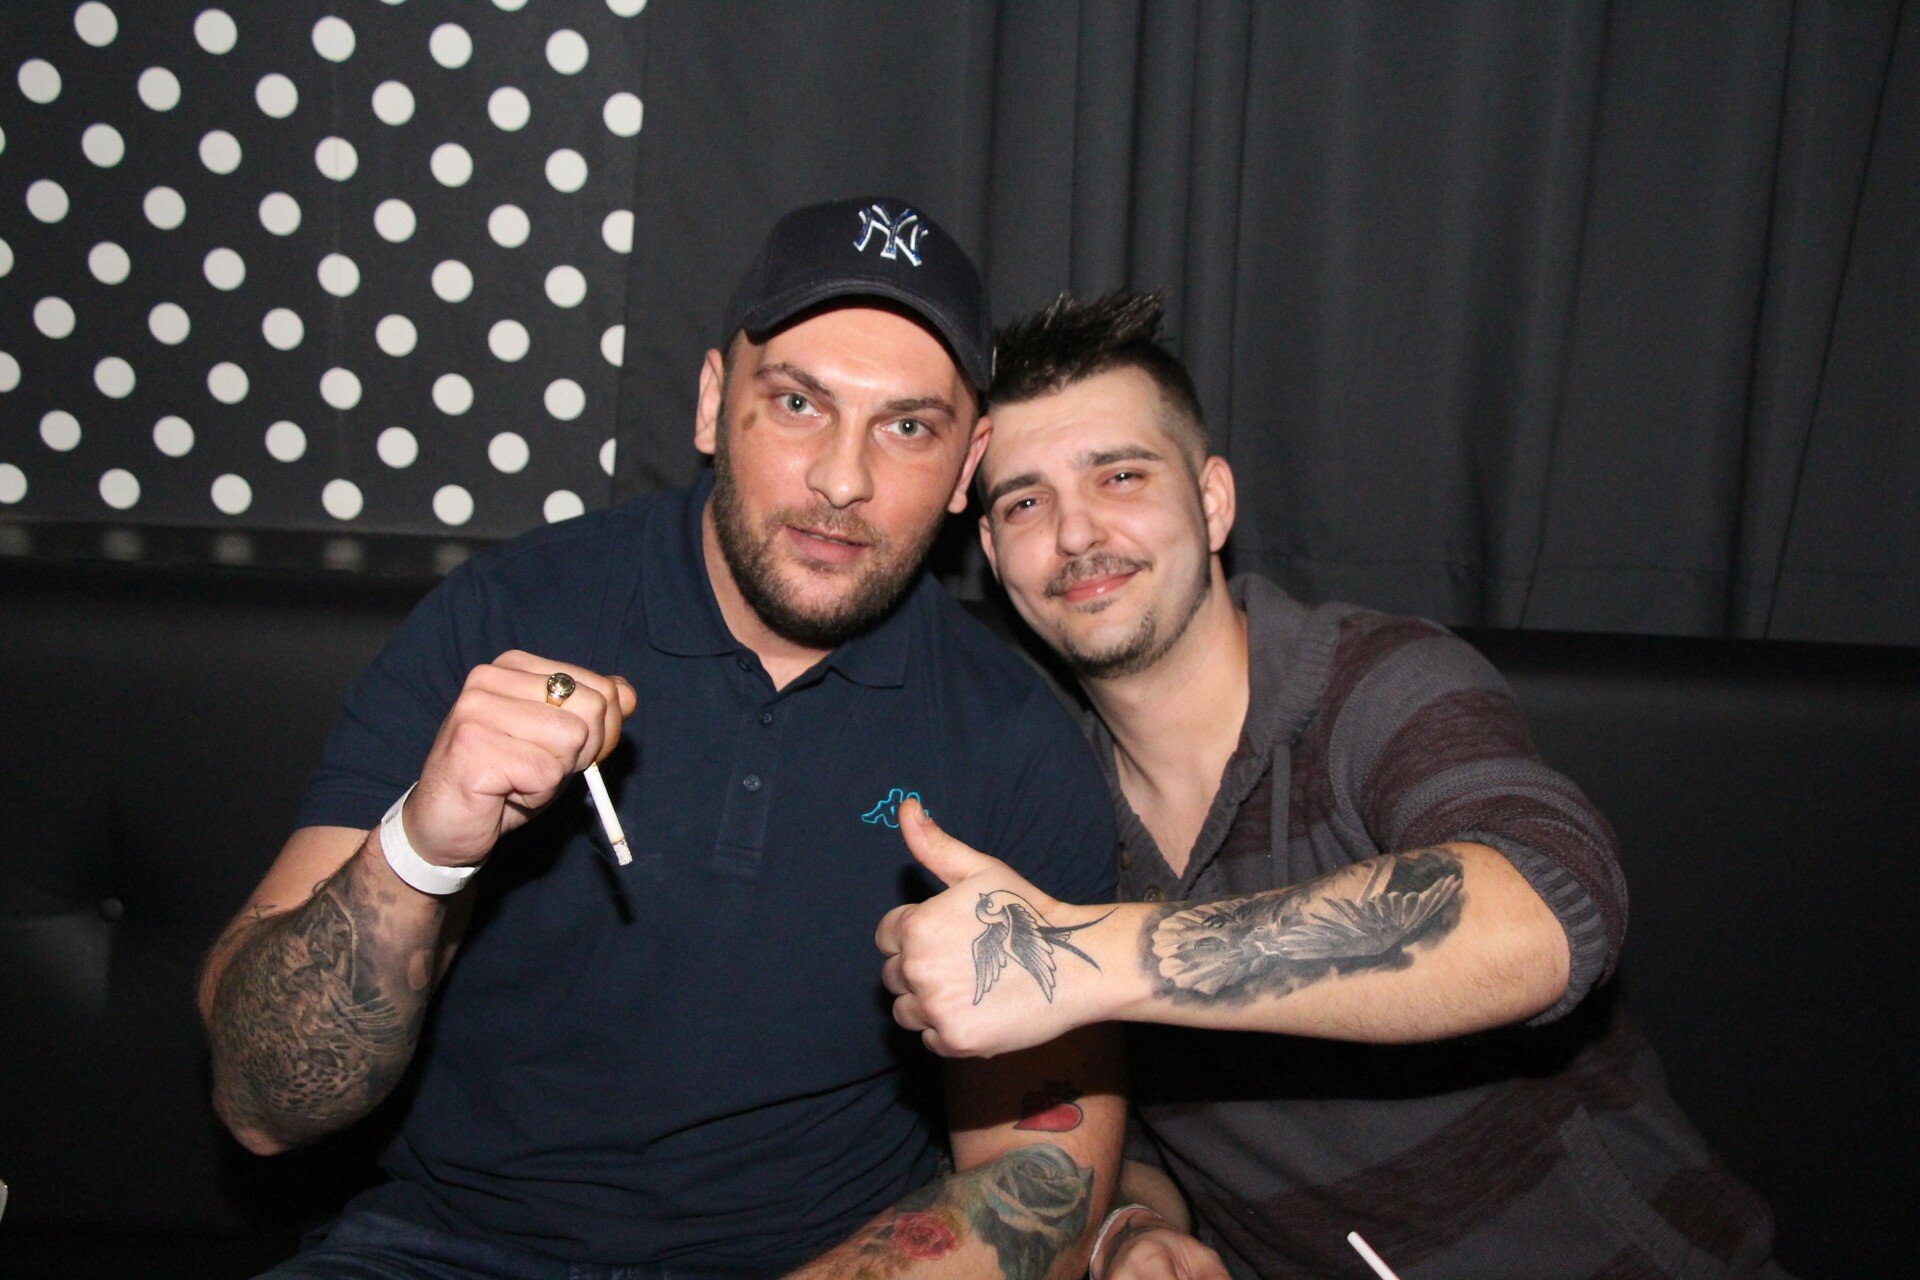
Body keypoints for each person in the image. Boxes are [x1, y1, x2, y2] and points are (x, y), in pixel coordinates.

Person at [197, 198, 1125, 1280]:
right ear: (712, 402)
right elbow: (263, 1104)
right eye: (797, 403)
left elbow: (1045, 1181)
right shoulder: (507, 616)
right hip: (445, 1251)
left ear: (968, 466)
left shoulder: (1012, 738)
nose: (842, 478)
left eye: (908, 427)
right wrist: (419, 851)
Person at [877, 292, 1788, 1279]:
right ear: (994, 557)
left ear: (1212, 502)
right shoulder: (1051, 796)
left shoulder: (1374, 683)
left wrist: (1084, 957)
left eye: (1121, 475)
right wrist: (1133, 1229)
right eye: (1024, 502)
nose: (1075, 531)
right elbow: (1135, 1140)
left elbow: (1550, 909)